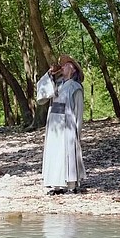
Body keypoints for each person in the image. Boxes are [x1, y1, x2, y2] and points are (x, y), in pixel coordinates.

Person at [37, 54, 86, 195]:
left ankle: (71, 185)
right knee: (55, 152)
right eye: (62, 65)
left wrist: (77, 131)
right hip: (54, 123)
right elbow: (43, 95)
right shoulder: (56, 84)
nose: (63, 67)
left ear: (73, 69)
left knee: (68, 152)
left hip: (68, 124)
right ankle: (57, 184)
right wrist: (49, 74)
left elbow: (78, 111)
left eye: (66, 65)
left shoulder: (76, 87)